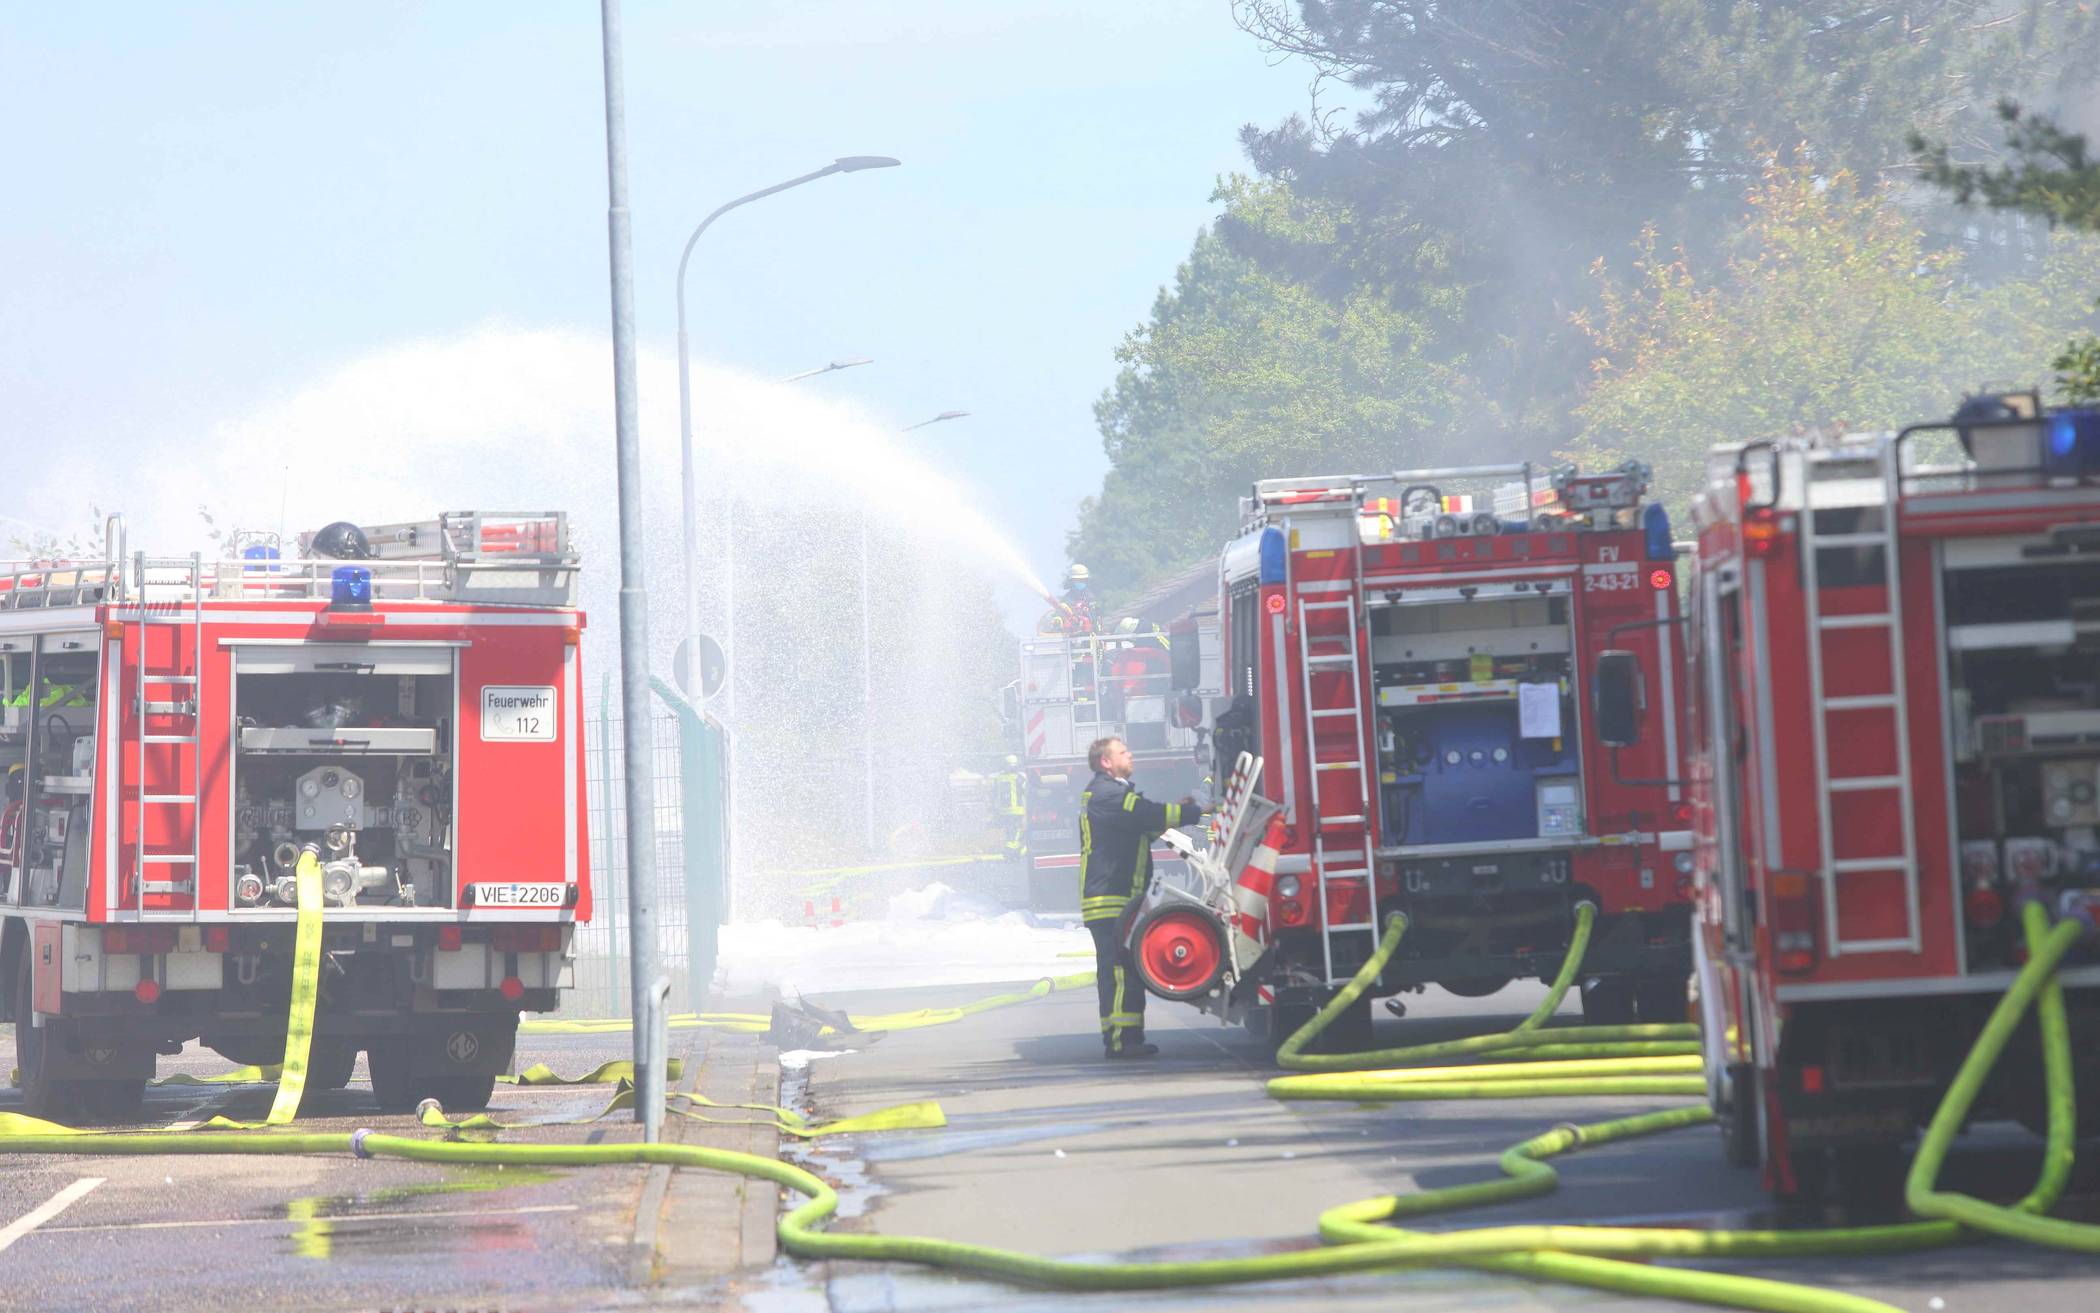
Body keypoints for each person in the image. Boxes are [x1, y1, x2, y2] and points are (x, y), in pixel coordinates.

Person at [1079, 735, 1198, 1059]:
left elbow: (1144, 827)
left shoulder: (1114, 796)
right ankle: (1119, 1041)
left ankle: (1131, 1037)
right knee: (1117, 971)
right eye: (1122, 751)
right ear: (1105, 761)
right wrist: (1193, 812)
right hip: (1109, 898)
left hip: (1121, 897)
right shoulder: (1107, 794)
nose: (1129, 754)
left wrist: (1180, 814)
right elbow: (1147, 814)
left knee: (1128, 969)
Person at [990, 755, 1026, 859]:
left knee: (1010, 831)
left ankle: (1014, 851)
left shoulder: (998, 778)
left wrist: (994, 810)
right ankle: (1009, 850)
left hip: (1003, 811)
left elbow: (994, 794)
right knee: (1015, 832)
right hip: (1016, 811)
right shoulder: (1019, 777)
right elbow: (1027, 791)